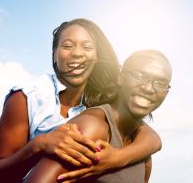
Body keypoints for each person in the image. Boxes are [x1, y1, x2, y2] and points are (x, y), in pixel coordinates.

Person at [0, 18, 162, 183]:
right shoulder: (27, 98)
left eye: (87, 47)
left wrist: (114, 159)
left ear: (97, 57)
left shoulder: (104, 98)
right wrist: (39, 145)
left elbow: (150, 137)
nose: (77, 53)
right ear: (55, 54)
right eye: (68, 46)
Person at [24, 49, 172, 183]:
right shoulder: (92, 127)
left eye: (160, 83)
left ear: (166, 92)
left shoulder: (143, 151)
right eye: (139, 76)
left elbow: (154, 141)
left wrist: (117, 158)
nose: (148, 88)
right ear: (121, 77)